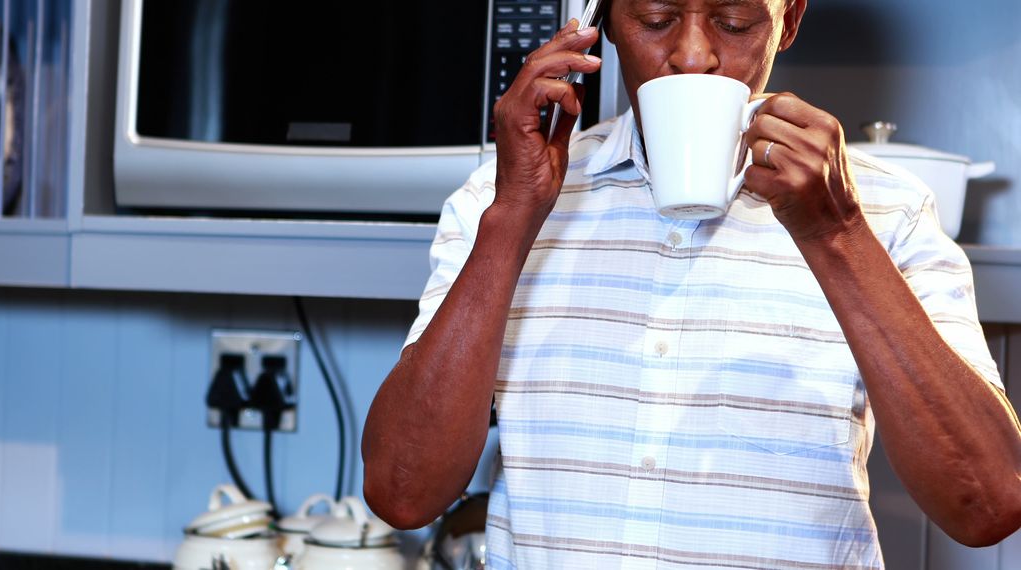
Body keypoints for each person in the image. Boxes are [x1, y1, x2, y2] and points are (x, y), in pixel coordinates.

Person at [362, 0, 1021, 567]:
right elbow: (403, 492)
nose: (693, 55)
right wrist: (512, 216)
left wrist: (835, 234)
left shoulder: (883, 211)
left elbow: (988, 503)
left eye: (735, 22)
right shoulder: (501, 198)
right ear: (603, 26)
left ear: (787, 20)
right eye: (656, 18)